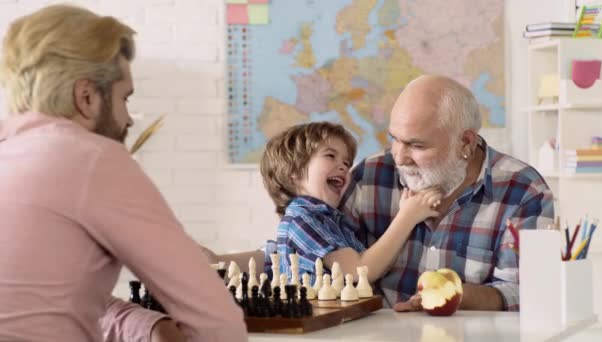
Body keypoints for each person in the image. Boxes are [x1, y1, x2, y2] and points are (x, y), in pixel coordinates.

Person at [0, 5, 246, 341]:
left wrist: (143, 325)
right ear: (87, 97)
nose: (129, 119)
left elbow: (47, 301)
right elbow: (219, 324)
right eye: (124, 98)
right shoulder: (91, 157)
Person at [340, 75, 555, 312]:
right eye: (395, 139)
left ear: (465, 142)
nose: (399, 157)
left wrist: (454, 295)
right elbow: (336, 269)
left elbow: (524, 291)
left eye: (417, 145)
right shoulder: (369, 176)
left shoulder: (524, 191)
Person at [259, 122, 442, 282]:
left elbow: (378, 265)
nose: (343, 167)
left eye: (347, 162)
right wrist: (407, 217)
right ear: (294, 173)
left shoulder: (332, 220)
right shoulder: (301, 220)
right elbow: (360, 270)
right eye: (330, 156)